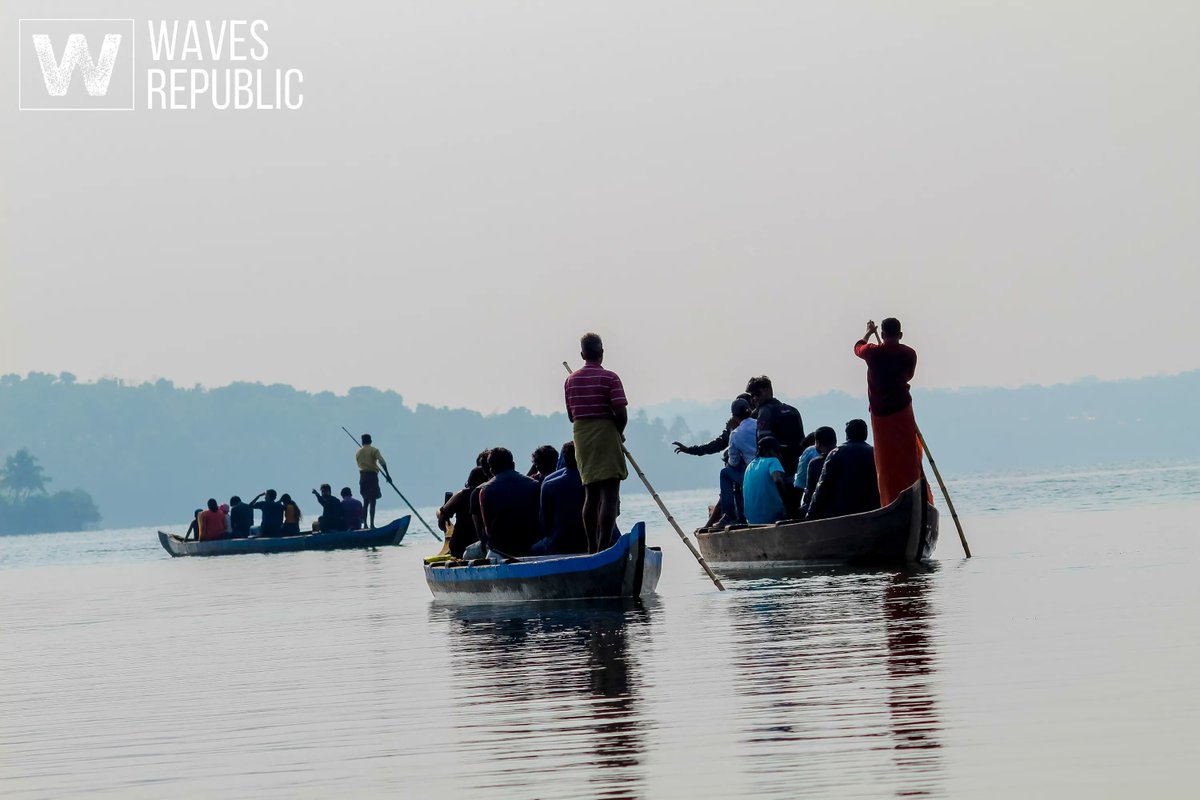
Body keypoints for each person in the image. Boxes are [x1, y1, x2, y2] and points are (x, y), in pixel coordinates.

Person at [565, 332, 629, 553]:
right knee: (610, 494)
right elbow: (621, 413)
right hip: (605, 431)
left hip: (582, 436)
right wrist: (618, 433)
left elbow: (571, 415)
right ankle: (602, 547)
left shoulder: (570, 381)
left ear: (582, 354)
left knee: (591, 494)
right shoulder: (611, 378)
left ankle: (592, 547)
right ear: (601, 353)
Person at [854, 318, 929, 506]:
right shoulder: (909, 353)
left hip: (880, 414)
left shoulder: (873, 352)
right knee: (908, 455)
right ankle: (914, 493)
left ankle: (890, 499)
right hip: (902, 409)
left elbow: (857, 347)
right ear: (900, 335)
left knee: (886, 460)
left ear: (884, 334)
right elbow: (909, 375)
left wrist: (869, 332)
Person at [463, 447, 541, 562]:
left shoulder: (484, 491)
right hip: (531, 545)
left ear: (491, 470)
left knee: (467, 555)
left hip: (500, 549)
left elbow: (486, 530)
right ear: (513, 464)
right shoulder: (534, 485)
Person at [807, 420, 882, 520]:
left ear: (847, 435)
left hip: (842, 514)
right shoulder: (875, 453)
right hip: (872, 511)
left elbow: (822, 486)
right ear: (866, 434)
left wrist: (810, 514)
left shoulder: (836, 453)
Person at [531, 441, 587, 555]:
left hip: (559, 543)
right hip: (588, 541)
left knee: (533, 549)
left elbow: (545, 525)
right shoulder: (593, 480)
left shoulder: (548, 483)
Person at [745, 376, 805, 480]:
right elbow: (802, 440)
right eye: (752, 395)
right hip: (792, 466)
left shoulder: (764, 411)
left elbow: (763, 444)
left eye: (757, 394)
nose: (754, 398)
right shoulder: (793, 410)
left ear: (769, 390)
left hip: (773, 469)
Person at [437, 454, 491, 559]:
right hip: (489, 546)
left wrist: (442, 521)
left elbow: (442, 516)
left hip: (460, 549)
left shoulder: (462, 495)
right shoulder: (493, 491)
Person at [715, 397, 757, 525]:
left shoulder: (736, 434)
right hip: (765, 466)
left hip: (751, 471)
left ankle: (729, 515)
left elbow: (733, 462)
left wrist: (731, 430)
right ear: (750, 411)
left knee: (725, 473)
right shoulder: (759, 423)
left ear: (734, 417)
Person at [741, 437, 790, 525]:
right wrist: (787, 504)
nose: (780, 455)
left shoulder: (750, 465)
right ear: (768, 451)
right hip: (771, 517)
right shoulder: (773, 461)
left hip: (751, 520)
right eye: (777, 451)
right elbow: (777, 480)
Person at [799, 426, 838, 515]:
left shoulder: (815, 463)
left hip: (822, 510)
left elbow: (810, 493)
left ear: (818, 443)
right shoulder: (844, 457)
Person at [355, 433, 391, 529]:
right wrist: (387, 475)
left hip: (362, 478)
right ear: (370, 441)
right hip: (371, 477)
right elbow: (382, 461)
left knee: (365, 501)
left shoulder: (358, 452)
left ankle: (365, 524)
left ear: (362, 442)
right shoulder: (374, 450)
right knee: (373, 501)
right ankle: (371, 524)